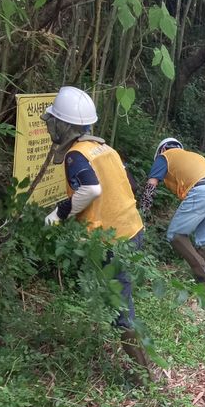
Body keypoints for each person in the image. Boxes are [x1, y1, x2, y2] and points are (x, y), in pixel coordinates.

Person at [41, 85, 152, 375]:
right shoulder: (106, 149)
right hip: (133, 230)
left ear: (64, 126)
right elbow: (129, 182)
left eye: (54, 122)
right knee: (121, 295)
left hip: (112, 239)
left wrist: (60, 212)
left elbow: (90, 188)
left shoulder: (76, 155)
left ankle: (144, 375)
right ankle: (143, 367)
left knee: (119, 308)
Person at [139, 138, 205, 286]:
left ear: (162, 149)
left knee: (175, 235)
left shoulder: (164, 157)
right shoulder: (193, 156)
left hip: (202, 190)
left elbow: (151, 186)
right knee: (204, 239)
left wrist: (142, 212)